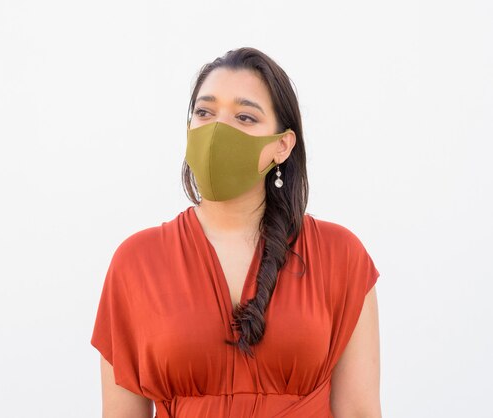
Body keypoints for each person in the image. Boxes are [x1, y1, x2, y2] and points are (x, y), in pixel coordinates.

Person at [91, 47, 381, 418]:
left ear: (282, 146)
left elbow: (359, 411)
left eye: (244, 117)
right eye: (204, 112)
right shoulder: (136, 262)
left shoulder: (340, 255)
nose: (217, 130)